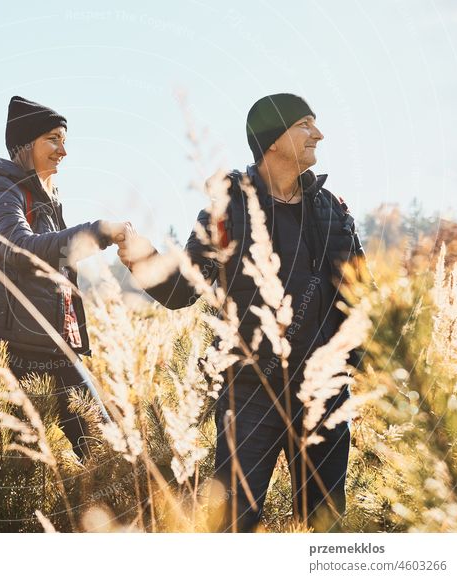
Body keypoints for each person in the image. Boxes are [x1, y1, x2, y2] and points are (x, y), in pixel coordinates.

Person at [116, 94, 369, 531]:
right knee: (234, 524)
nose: (319, 134)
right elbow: (182, 288)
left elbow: (359, 296)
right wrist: (139, 255)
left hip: (324, 393)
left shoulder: (330, 209)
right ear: (273, 141)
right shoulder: (229, 207)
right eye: (305, 124)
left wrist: (354, 368)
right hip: (251, 394)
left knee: (325, 525)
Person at [0, 95, 128, 461]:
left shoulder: (46, 199)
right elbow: (20, 249)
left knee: (106, 453)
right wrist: (97, 232)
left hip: (53, 349)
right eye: (53, 139)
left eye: (64, 140)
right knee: (7, 473)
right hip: (4, 351)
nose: (63, 151)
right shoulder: (0, 191)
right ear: (24, 145)